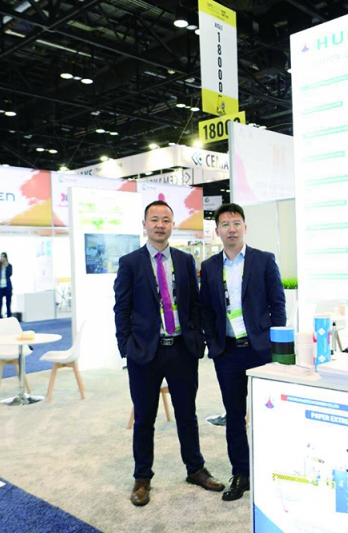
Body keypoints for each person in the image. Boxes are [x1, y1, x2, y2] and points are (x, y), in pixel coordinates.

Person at [113, 200, 224, 507]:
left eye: (166, 220)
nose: (160, 225)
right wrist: (126, 346)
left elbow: (195, 304)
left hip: (181, 350)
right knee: (144, 418)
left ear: (173, 225)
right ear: (145, 225)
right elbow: (121, 308)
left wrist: (197, 339)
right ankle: (142, 478)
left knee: (187, 414)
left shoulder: (185, 261)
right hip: (144, 353)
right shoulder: (130, 263)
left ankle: (195, 469)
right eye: (154, 219)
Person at [199, 203, 287, 502]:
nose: (231, 229)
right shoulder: (210, 266)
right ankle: (241, 474)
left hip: (261, 350)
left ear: (245, 227)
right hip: (228, 352)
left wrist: (276, 346)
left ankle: (272, 469)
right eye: (225, 224)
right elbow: (206, 310)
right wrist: (213, 343)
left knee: (268, 412)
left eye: (236, 223)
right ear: (217, 231)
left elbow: (277, 305)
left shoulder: (264, 260)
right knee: (235, 416)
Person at [0, 252, 13, 319]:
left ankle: (9, 315)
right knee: (0, 303)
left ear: (6, 258)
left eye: (4, 257)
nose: (2, 258)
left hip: (7, 287)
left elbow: (10, 274)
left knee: (8, 303)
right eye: (1, 256)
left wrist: (6, 265)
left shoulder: (9, 266)